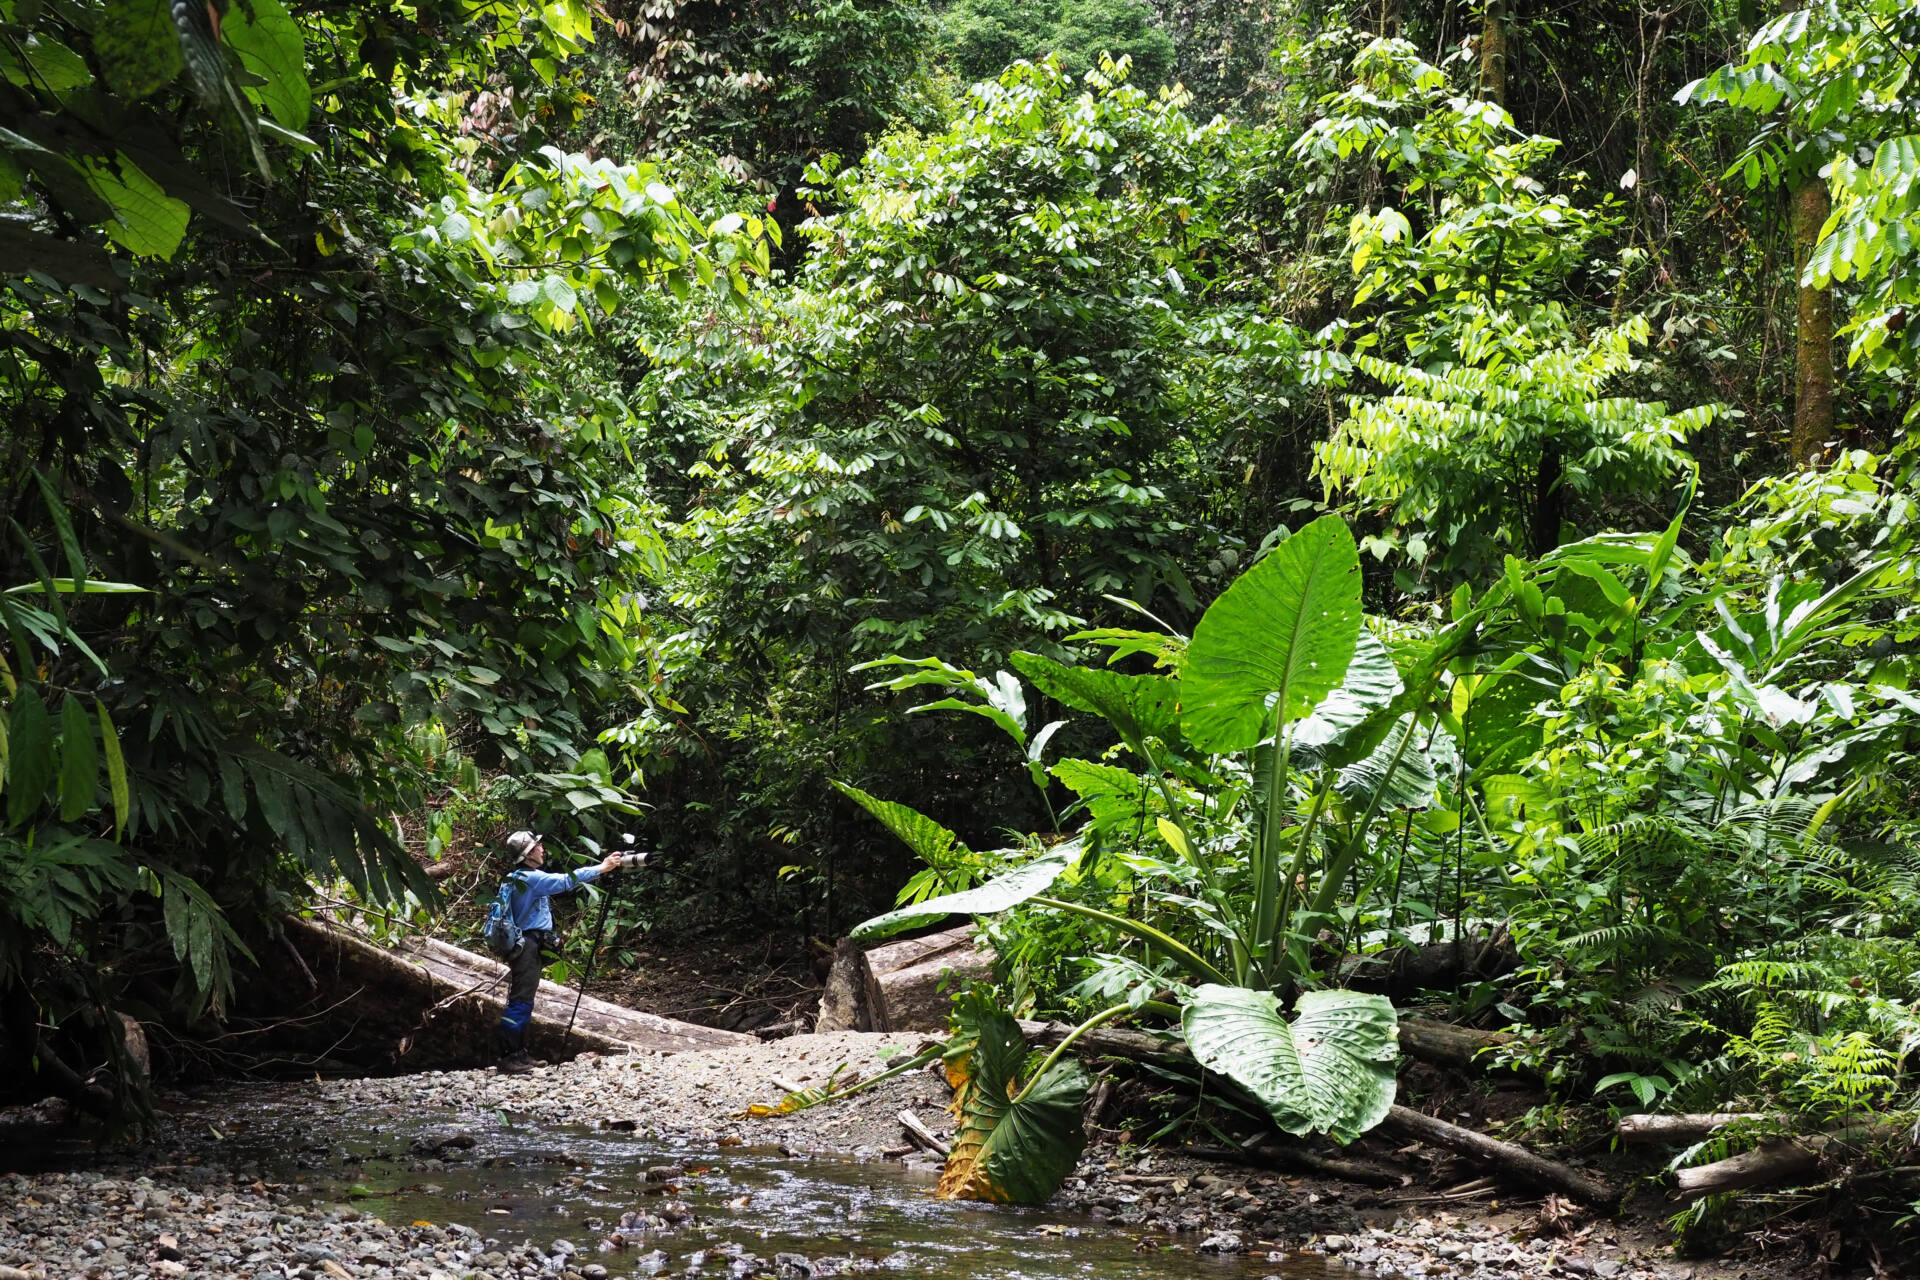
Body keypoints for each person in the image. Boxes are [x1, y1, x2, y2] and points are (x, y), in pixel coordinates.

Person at [494, 830, 629, 1074]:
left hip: (525, 945)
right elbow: (565, 881)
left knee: (522, 1000)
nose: (542, 849)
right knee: (520, 1002)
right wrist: (602, 867)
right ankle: (509, 1057)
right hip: (527, 946)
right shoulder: (529, 879)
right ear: (528, 854)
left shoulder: (513, 878)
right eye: (538, 846)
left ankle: (519, 1054)